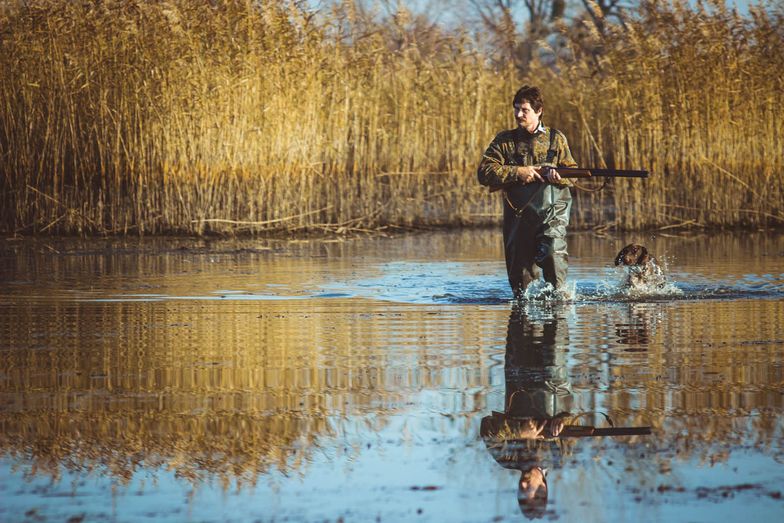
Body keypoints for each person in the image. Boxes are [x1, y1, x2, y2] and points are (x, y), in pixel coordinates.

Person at [477, 86, 578, 298]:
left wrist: (559, 175)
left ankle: (559, 309)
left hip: (552, 213)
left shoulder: (555, 139)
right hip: (519, 216)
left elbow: (574, 173)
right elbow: (484, 172)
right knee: (521, 283)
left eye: (524, 110)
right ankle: (524, 322)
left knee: (552, 254)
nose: (518, 115)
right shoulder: (505, 140)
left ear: (538, 111)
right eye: (516, 109)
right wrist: (519, 172)